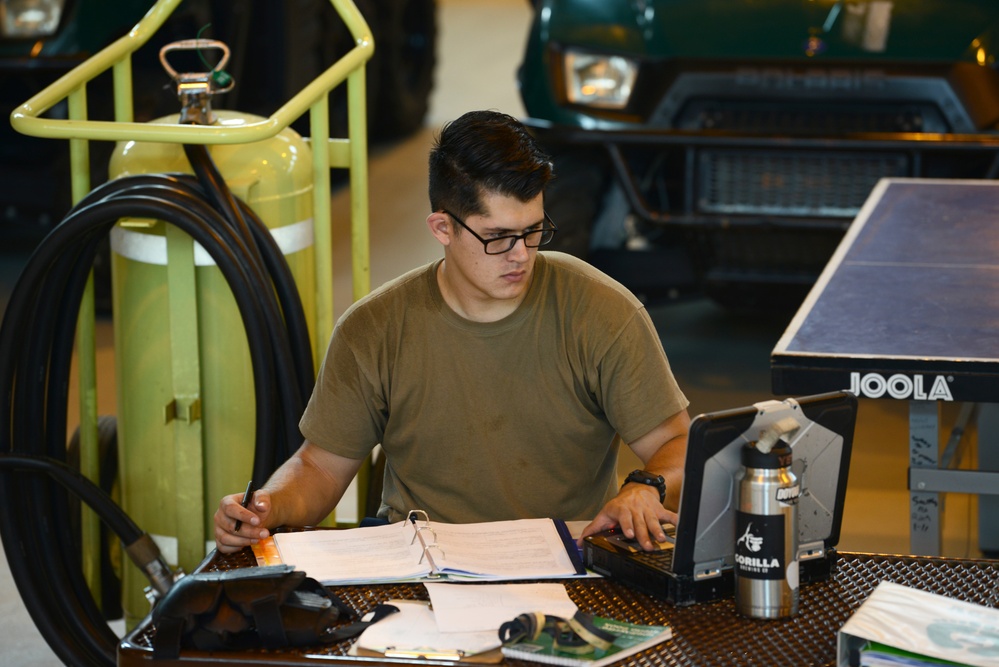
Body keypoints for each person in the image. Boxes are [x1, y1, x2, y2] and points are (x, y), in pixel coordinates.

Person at [214, 110, 690, 554]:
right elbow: (319, 466)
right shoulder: (374, 329)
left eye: (532, 231)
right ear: (442, 227)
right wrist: (267, 507)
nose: (521, 255)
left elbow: (680, 443)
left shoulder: (601, 311)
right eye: (498, 237)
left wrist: (646, 488)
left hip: (564, 560)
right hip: (419, 564)